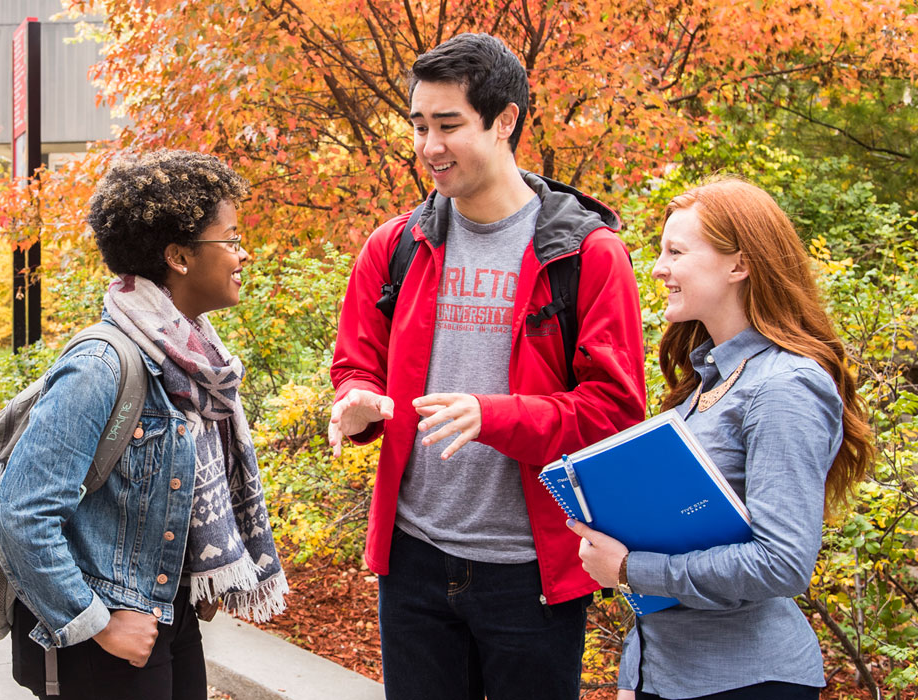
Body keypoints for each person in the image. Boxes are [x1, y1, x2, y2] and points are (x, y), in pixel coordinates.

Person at [327, 33, 647, 699]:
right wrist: (357, 403)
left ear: (505, 121)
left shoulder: (587, 253)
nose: (428, 146)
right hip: (412, 563)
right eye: (419, 125)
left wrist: (494, 416)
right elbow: (356, 365)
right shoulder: (396, 245)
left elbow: (614, 414)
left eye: (449, 125)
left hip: (529, 570)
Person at [0, 150, 286, 699]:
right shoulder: (102, 365)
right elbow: (20, 511)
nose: (243, 255)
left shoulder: (192, 361)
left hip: (168, 612)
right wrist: (97, 622)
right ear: (178, 256)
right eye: (230, 239)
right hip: (106, 634)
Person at [568, 178, 872, 700]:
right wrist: (634, 675)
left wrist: (628, 568)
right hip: (668, 674)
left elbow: (783, 562)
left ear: (739, 265)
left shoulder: (784, 387)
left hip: (746, 681)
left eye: (676, 252)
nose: (659, 268)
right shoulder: (703, 385)